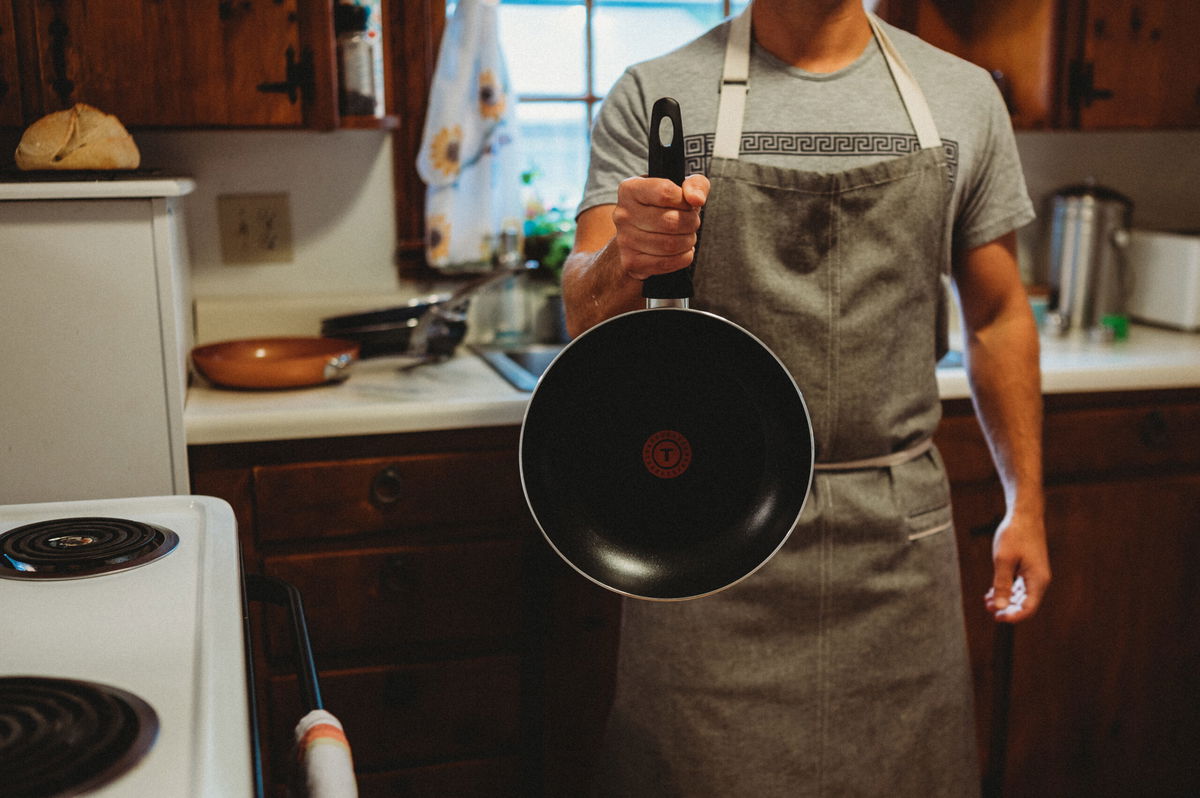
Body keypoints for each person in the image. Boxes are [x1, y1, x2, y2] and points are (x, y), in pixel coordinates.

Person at [559, 1, 1051, 796]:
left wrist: (1024, 500)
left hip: (896, 544)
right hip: (710, 535)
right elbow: (585, 313)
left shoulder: (960, 95)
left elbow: (998, 316)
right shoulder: (657, 94)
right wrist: (628, 257)